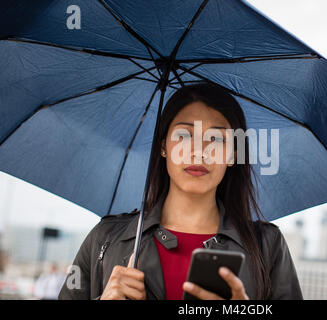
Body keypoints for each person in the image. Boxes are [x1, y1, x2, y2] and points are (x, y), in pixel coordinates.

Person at [58, 82, 302, 300]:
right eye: (184, 135)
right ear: (163, 146)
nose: (199, 151)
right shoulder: (105, 238)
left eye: (216, 139)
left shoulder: (268, 246)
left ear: (233, 154)